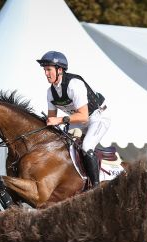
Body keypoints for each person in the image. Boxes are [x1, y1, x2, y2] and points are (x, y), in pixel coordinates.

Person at [36, 50, 110, 187]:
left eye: (48, 70)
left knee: (87, 146)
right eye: (45, 70)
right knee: (63, 145)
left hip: (97, 117)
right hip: (78, 121)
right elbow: (52, 119)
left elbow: (83, 115)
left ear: (60, 70)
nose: (46, 73)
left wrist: (59, 120)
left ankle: (96, 187)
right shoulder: (50, 92)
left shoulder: (74, 85)